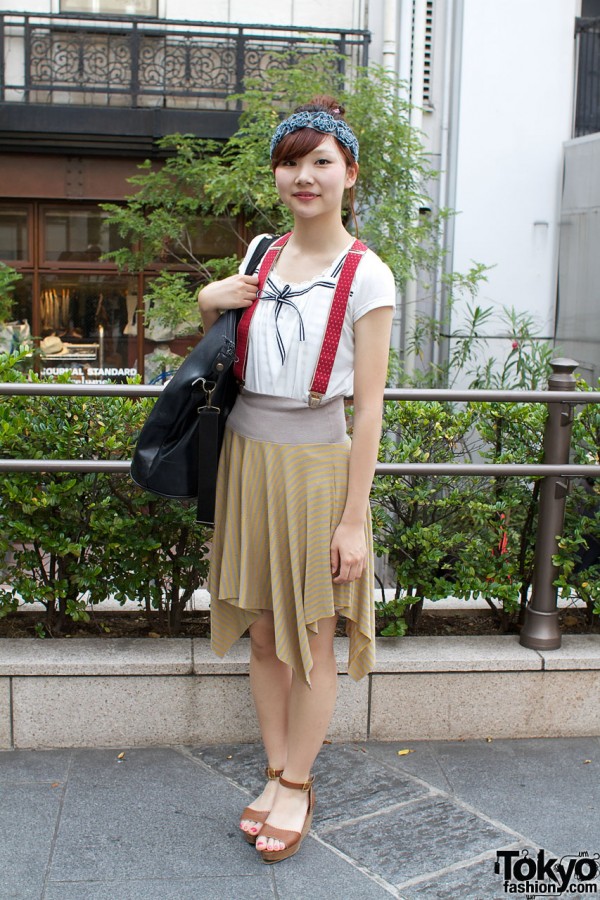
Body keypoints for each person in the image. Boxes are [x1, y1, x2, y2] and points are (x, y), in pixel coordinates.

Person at [197, 96, 395, 863]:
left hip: (317, 468)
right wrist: (209, 296)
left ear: (349, 173)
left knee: (311, 633)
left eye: (321, 162)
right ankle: (276, 768)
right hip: (247, 456)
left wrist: (354, 517)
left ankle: (299, 782)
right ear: (276, 173)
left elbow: (370, 410)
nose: (304, 175)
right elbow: (220, 332)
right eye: (291, 161)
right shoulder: (259, 254)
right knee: (264, 630)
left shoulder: (367, 274)